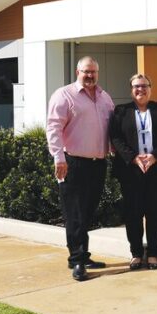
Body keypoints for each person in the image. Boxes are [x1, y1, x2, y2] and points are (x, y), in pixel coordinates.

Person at [46, 56, 115, 282]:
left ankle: (82, 255)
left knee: (86, 213)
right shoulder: (64, 95)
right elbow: (53, 128)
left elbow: (111, 128)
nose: (90, 75)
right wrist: (59, 158)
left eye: (93, 71)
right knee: (74, 214)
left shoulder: (105, 98)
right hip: (72, 163)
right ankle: (77, 260)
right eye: (86, 71)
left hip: (98, 164)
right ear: (78, 72)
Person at [109, 74, 157, 271]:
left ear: (150, 88)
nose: (141, 89)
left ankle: (153, 252)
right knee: (133, 213)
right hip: (131, 170)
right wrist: (133, 158)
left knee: (155, 212)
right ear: (131, 90)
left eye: (144, 86)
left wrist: (155, 156)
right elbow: (115, 137)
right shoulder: (121, 111)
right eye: (136, 86)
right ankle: (136, 253)